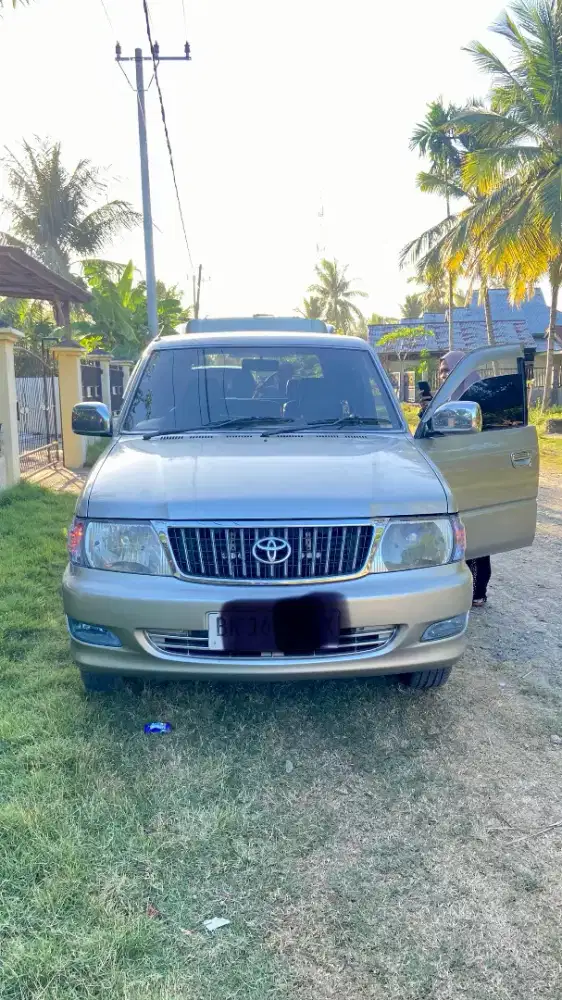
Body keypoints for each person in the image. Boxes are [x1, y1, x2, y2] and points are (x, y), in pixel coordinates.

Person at [417, 349, 491, 607]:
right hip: (451, 470)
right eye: (441, 371)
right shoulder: (446, 398)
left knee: (477, 532)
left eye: (447, 370)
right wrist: (427, 411)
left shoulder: (480, 396)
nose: (443, 375)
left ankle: (478, 590)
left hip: (475, 473)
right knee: (454, 531)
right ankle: (456, 589)